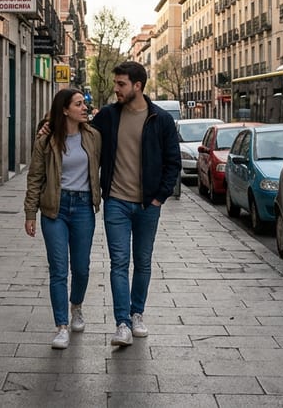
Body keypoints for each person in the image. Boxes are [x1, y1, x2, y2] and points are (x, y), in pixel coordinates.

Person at [91, 61, 180, 347]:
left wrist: (158, 198)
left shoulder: (161, 119)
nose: (116, 89)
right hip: (116, 201)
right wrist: (47, 129)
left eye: (121, 84)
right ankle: (122, 324)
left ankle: (137, 312)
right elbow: (80, 133)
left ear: (137, 86)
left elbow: (173, 162)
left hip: (146, 205)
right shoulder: (107, 116)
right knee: (119, 262)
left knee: (142, 262)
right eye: (115, 83)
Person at [23, 89, 101, 350]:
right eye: (79, 104)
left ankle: (76, 305)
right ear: (65, 109)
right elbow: (34, 178)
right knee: (58, 269)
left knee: (81, 268)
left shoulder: (93, 137)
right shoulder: (46, 141)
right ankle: (61, 326)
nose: (84, 108)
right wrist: (30, 213)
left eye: (84, 104)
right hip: (54, 210)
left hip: (82, 209)